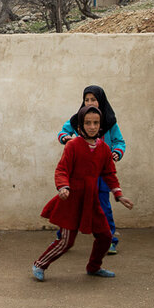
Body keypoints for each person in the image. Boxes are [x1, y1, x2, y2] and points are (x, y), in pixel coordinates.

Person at [32, 105, 134, 282]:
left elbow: (109, 173)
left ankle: (94, 267)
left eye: (96, 123)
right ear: (80, 126)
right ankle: (39, 264)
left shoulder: (103, 149)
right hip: (71, 200)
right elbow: (62, 169)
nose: (92, 126)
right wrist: (63, 187)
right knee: (66, 242)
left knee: (105, 236)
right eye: (88, 123)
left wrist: (119, 194)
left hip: (91, 201)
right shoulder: (73, 146)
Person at [57, 85, 126, 254]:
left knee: (103, 207)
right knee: (73, 205)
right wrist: (65, 137)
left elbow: (119, 142)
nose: (90, 103)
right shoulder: (79, 119)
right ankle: (62, 237)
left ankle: (110, 240)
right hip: (79, 173)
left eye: (93, 99)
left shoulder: (109, 122)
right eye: (86, 100)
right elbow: (63, 131)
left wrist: (116, 153)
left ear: (100, 101)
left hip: (100, 173)